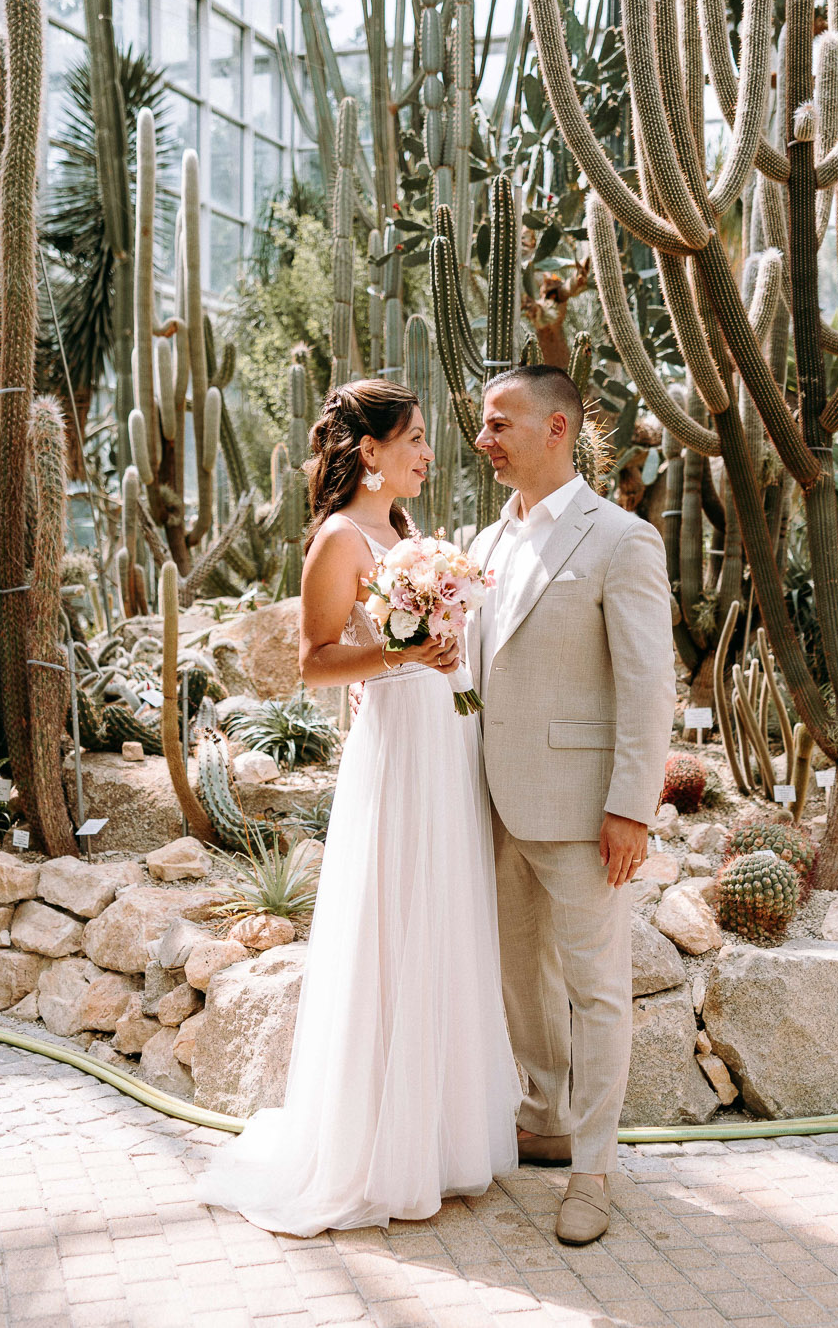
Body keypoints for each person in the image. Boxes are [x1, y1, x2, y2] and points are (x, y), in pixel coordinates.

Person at [195, 379, 520, 1237]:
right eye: (413, 438)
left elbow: (407, 641)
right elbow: (312, 663)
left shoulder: (407, 533)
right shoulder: (339, 539)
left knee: (438, 917)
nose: (427, 454)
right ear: (369, 450)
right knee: (391, 920)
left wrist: (435, 645)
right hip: (394, 750)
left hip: (438, 741)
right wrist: (404, 653)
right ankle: (373, 1148)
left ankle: (437, 1139)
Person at [468, 365, 675, 1246]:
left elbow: (648, 682)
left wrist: (631, 805)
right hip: (491, 802)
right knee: (521, 982)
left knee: (596, 992)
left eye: (499, 422)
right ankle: (543, 1116)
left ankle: (593, 1169)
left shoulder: (621, 539)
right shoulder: (480, 543)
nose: (485, 439)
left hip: (585, 807)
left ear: (557, 428)